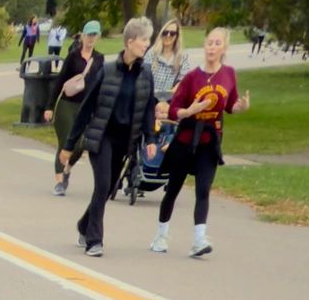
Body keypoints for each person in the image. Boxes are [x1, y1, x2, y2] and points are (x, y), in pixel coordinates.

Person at [153, 25, 248, 259]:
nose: (212, 47)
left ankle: (198, 240)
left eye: (217, 43)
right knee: (173, 189)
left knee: (203, 190)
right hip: (185, 140)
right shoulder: (192, 77)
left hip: (210, 141)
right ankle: (161, 234)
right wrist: (189, 110)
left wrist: (240, 107)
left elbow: (230, 105)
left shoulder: (229, 74)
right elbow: (173, 110)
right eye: (209, 43)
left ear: (224, 48)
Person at [70, 16, 156, 257]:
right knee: (103, 185)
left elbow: (148, 108)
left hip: (125, 141)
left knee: (107, 190)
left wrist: (150, 139)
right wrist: (69, 145)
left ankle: (84, 224)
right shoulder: (107, 70)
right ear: (130, 42)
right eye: (144, 39)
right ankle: (94, 240)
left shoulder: (145, 74)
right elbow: (86, 107)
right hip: (102, 138)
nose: (147, 44)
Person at [48, 24, 101, 194]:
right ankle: (59, 181)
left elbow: (100, 85)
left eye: (94, 35)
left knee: (80, 144)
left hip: (86, 107)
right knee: (65, 142)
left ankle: (67, 168)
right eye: (88, 34)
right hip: (66, 105)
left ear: (97, 37)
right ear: (82, 36)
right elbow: (60, 81)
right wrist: (49, 107)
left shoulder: (99, 59)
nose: (91, 38)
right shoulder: (73, 56)